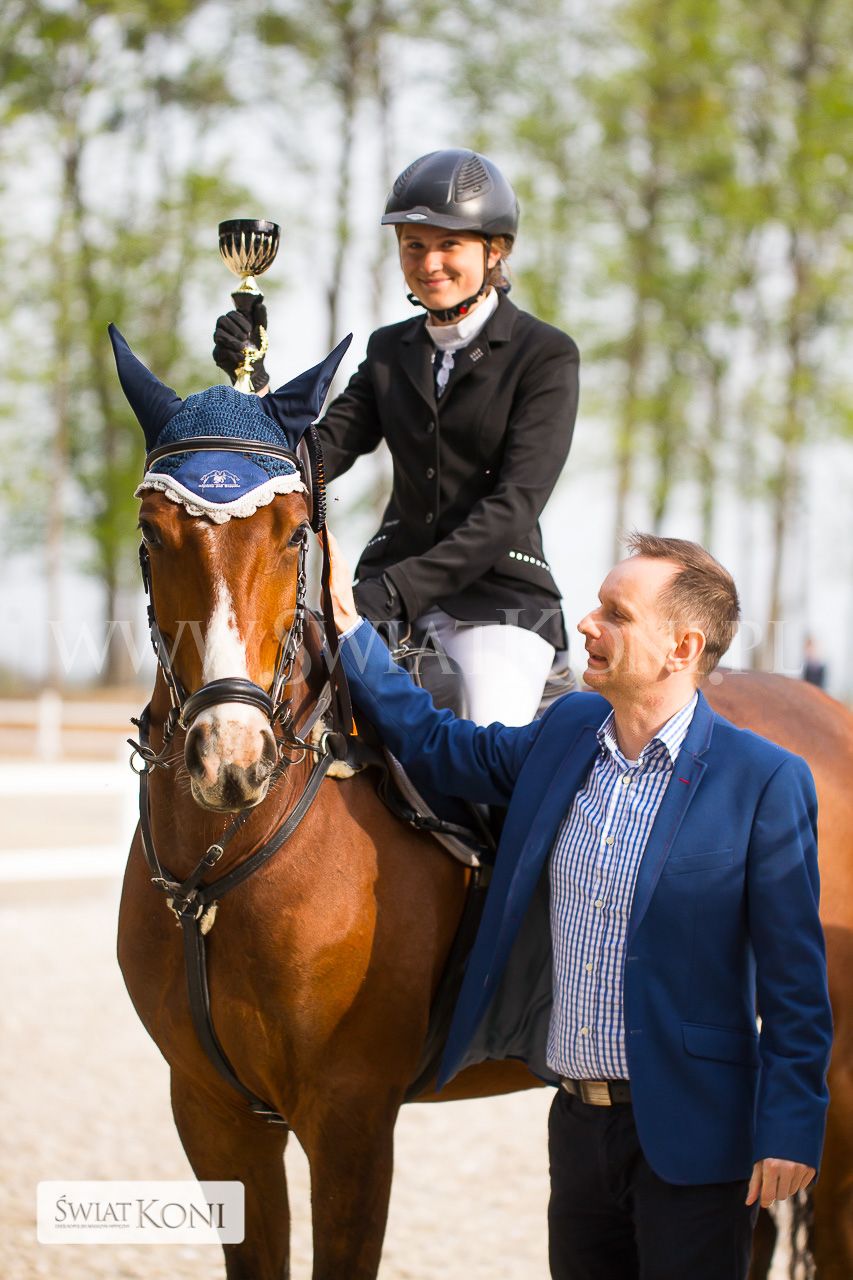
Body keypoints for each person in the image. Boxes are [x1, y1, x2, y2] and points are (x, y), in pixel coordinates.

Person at [326, 528, 832, 1280]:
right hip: (576, 1129)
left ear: (682, 648)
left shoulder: (762, 780)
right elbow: (440, 747)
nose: (586, 624)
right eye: (596, 605)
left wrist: (789, 1128)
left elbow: (796, 985)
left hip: (697, 1135)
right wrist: (349, 631)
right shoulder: (566, 731)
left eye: (616, 614)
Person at [214, 148, 580, 726]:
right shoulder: (390, 349)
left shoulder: (545, 354)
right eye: (414, 245)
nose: (429, 262)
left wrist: (397, 590)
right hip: (381, 597)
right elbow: (319, 455)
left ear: (495, 250)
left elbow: (514, 505)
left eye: (448, 245)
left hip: (498, 603)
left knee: (486, 733)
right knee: (289, 716)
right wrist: (254, 381)